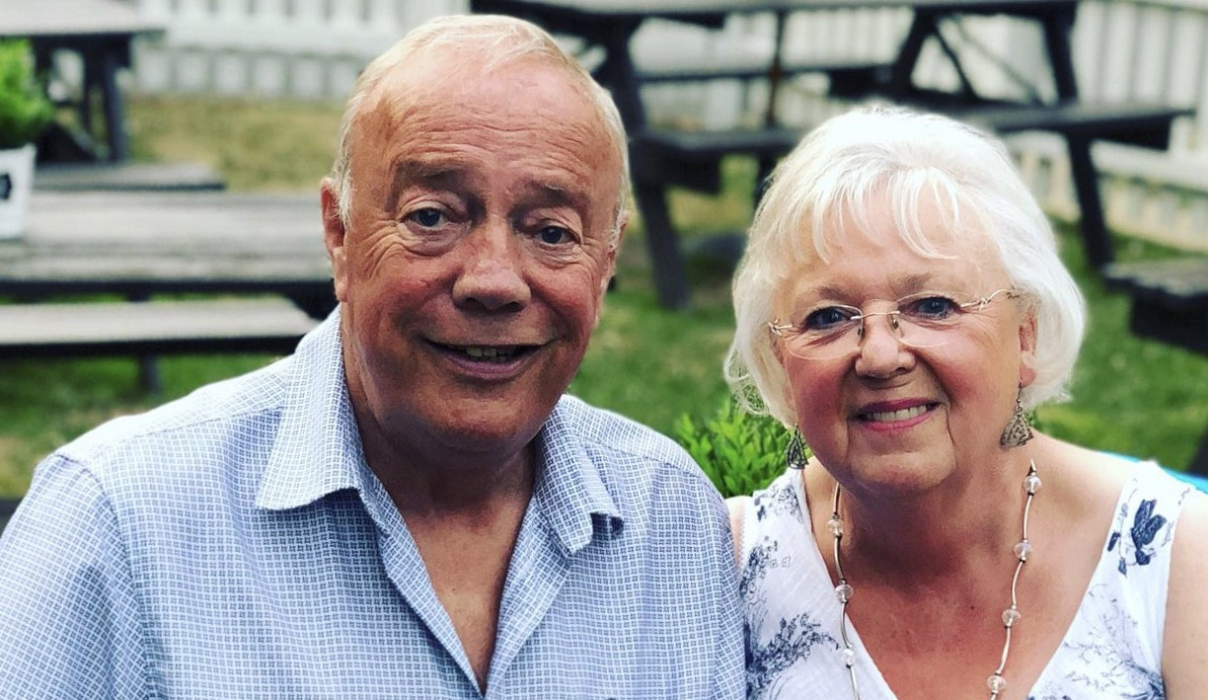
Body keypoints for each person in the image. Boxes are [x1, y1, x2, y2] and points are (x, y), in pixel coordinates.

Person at [0, 15, 744, 698]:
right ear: (338, 234)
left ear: (607, 259)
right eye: (432, 217)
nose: (492, 280)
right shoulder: (117, 526)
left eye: (550, 231)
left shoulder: (668, 525)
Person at [723, 105, 1208, 699]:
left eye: (932, 306)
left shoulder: (1178, 560)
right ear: (779, 360)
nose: (881, 356)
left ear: (1025, 334)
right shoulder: (728, 564)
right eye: (828, 317)